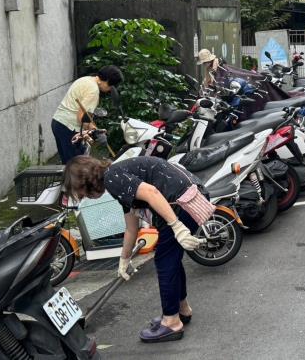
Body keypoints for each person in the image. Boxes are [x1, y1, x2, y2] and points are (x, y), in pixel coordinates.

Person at [62, 155, 206, 343]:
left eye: (80, 191)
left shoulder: (113, 178)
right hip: (187, 198)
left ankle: (172, 322)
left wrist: (176, 226)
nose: (84, 197)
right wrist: (124, 259)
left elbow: (152, 192)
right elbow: (131, 227)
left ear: (85, 180)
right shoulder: (117, 179)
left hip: (182, 204)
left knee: (165, 261)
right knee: (171, 259)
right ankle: (181, 310)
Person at [51, 66, 123, 164]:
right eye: (110, 86)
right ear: (106, 80)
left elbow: (84, 115)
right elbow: (82, 118)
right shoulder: (93, 91)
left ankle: (65, 179)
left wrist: (94, 129)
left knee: (67, 164)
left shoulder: (85, 79)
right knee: (76, 166)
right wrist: (95, 132)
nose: (110, 89)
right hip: (69, 128)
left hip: (58, 122)